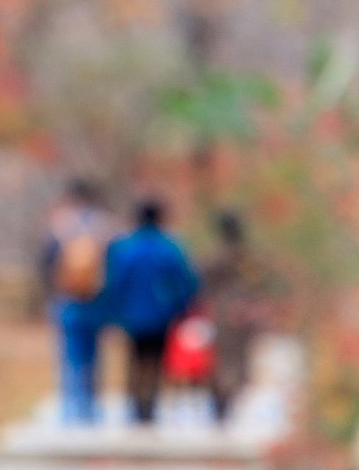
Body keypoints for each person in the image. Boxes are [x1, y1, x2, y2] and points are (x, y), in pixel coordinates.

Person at [103, 199, 199, 424]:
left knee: (134, 357)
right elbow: (186, 280)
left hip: (130, 315)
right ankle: (150, 404)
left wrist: (112, 311)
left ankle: (135, 403)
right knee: (156, 359)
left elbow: (113, 282)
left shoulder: (123, 246)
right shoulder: (170, 246)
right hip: (162, 314)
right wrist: (182, 307)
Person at [38, 180, 113, 424]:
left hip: (66, 300)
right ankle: (91, 407)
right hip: (96, 301)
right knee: (94, 354)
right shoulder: (105, 225)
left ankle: (70, 407)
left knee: (69, 354)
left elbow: (45, 261)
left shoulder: (59, 224)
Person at [201, 209, 270, 422]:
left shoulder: (216, 254)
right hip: (243, 309)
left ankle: (221, 402)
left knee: (221, 356)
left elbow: (204, 279)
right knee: (236, 358)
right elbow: (258, 283)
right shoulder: (247, 256)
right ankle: (227, 400)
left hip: (222, 310)